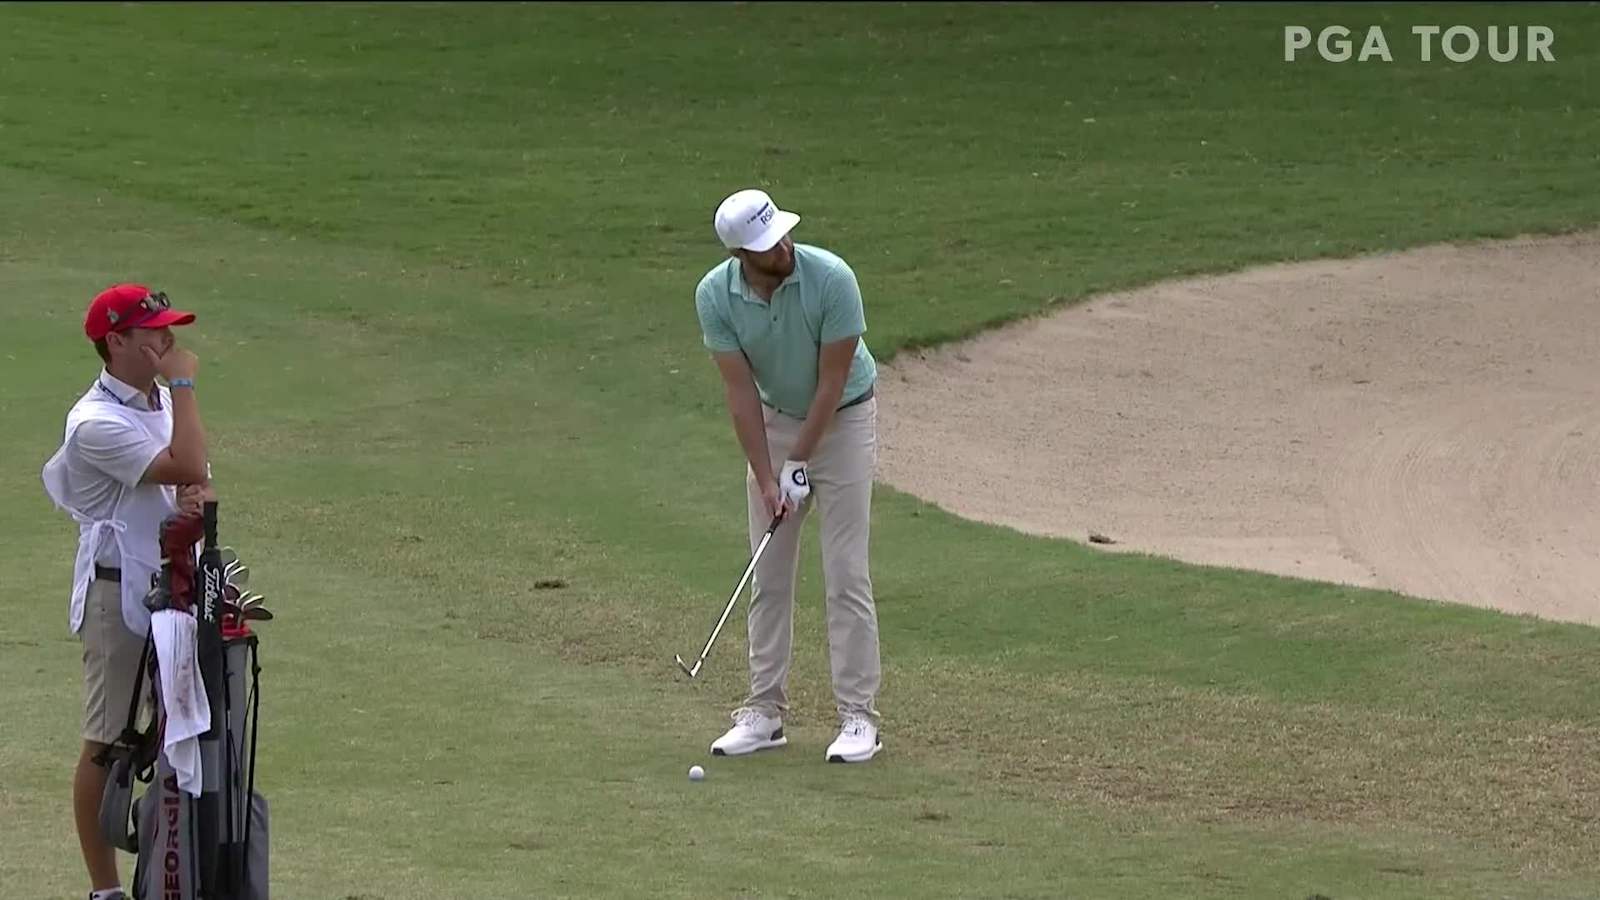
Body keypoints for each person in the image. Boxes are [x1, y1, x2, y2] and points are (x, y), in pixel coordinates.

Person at [693, 188, 885, 764]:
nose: (780, 247)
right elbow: (739, 391)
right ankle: (764, 711)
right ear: (740, 255)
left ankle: (858, 716)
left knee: (845, 571)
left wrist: (799, 462)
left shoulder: (832, 278)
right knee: (768, 572)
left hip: (844, 419)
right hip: (775, 422)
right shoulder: (715, 296)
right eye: (764, 244)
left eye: (779, 233)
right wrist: (767, 476)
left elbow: (833, 381)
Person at [40, 283, 212, 900]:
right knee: (108, 741)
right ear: (115, 342)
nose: (168, 342)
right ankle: (105, 891)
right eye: (153, 332)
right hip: (119, 593)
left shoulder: (159, 401)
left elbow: (197, 476)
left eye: (169, 329)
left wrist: (195, 496)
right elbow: (187, 463)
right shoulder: (93, 421)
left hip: (176, 586)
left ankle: (178, 872)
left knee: (183, 732)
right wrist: (187, 389)